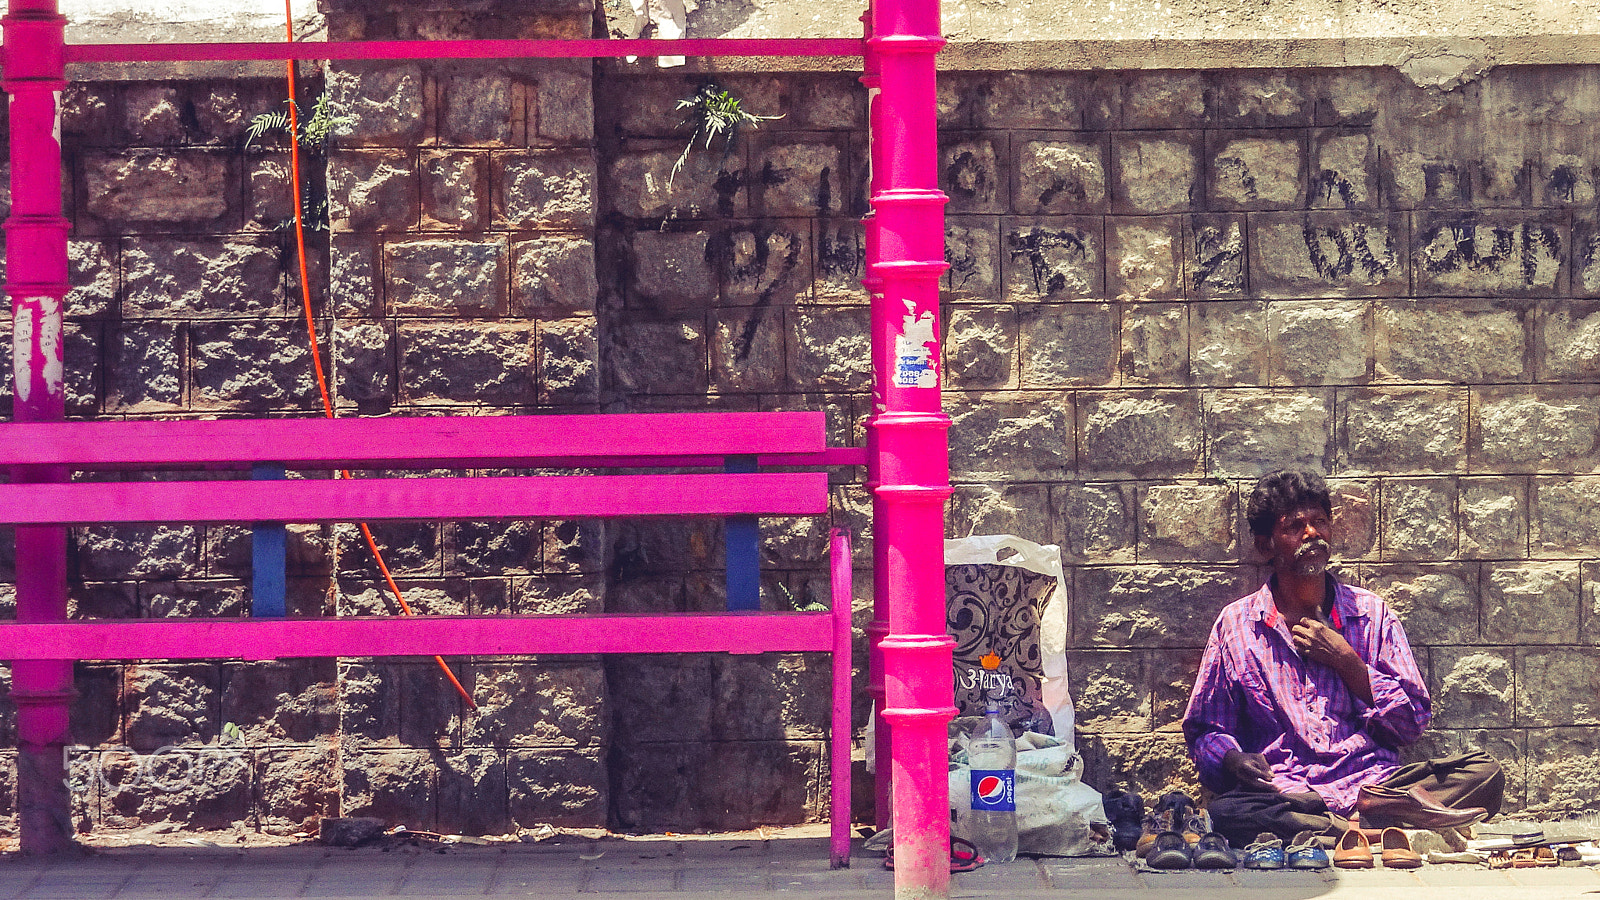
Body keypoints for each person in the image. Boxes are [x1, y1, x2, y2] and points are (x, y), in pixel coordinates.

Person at [1182, 469, 1504, 848]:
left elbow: (1412, 723)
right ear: (1265, 545)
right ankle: (1373, 830)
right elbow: (1206, 728)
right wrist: (1232, 759)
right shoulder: (1237, 625)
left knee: (1484, 773)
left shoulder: (1370, 614)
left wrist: (1347, 661)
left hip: (1375, 786)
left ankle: (1355, 825)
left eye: (1319, 521)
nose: (1312, 533)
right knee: (1225, 814)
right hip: (1290, 792)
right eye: (1294, 526)